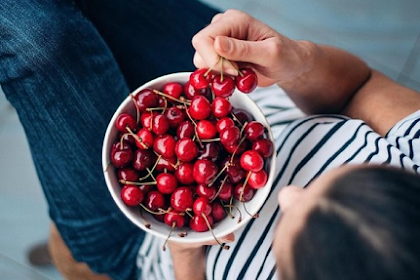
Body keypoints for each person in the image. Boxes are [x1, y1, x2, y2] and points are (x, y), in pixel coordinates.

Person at [157, 9, 420, 280]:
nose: (287, 194)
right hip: (227, 96)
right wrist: (297, 63)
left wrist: (184, 253)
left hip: (142, 249)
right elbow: (360, 88)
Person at [0, 1, 218, 279]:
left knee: (35, 38)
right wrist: (292, 66)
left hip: (150, 242)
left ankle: (70, 246)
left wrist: (185, 253)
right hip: (251, 98)